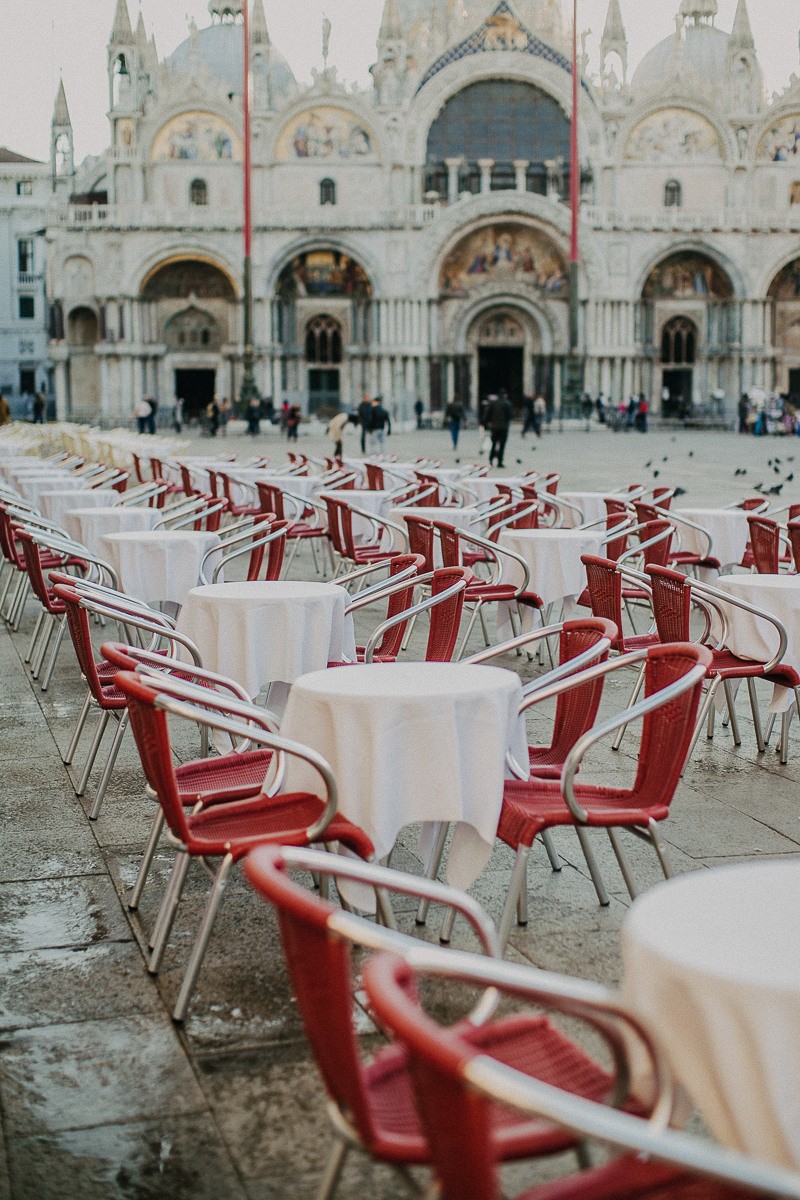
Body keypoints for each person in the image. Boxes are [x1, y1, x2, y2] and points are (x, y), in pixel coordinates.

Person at [484, 392, 512, 469]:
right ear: (505, 395)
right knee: (502, 445)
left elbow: (487, 414)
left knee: (494, 444)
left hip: (494, 427)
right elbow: (511, 415)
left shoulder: (493, 403)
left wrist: (489, 422)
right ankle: (500, 462)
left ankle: (491, 460)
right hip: (504, 427)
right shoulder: (507, 403)